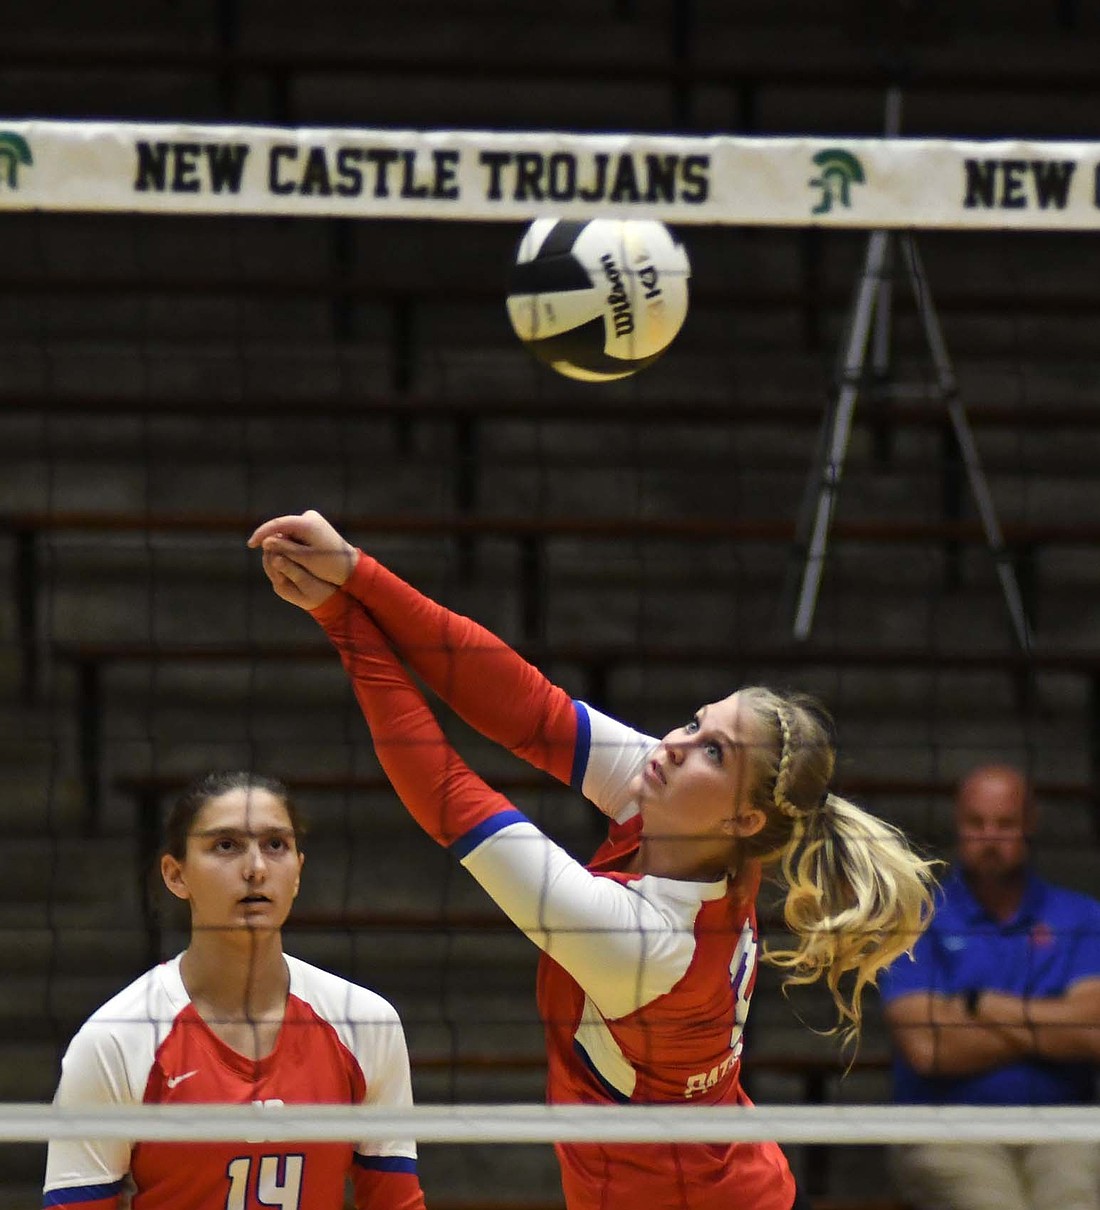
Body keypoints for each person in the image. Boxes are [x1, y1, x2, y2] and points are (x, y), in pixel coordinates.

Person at [248, 509, 938, 1210]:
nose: (675, 743)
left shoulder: (645, 943)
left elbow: (447, 791)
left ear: (743, 816)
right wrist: (354, 572)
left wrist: (342, 614)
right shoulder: (694, 822)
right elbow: (530, 712)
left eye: (713, 751)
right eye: (697, 722)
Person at [43, 770, 428, 1210]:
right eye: (225, 846)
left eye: (275, 845)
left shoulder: (363, 1022)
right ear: (175, 875)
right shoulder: (117, 1037)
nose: (255, 869)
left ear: (298, 871)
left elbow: (395, 1203)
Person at [879, 763, 1100, 1210]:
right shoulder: (914, 919)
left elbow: (1095, 1037)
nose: (991, 837)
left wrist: (984, 1008)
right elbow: (929, 1050)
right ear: (958, 826)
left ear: (1030, 826)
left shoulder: (1082, 917)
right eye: (977, 823)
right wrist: (1056, 1026)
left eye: (1005, 824)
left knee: (1073, 1199)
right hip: (945, 1129)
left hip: (1064, 1127)